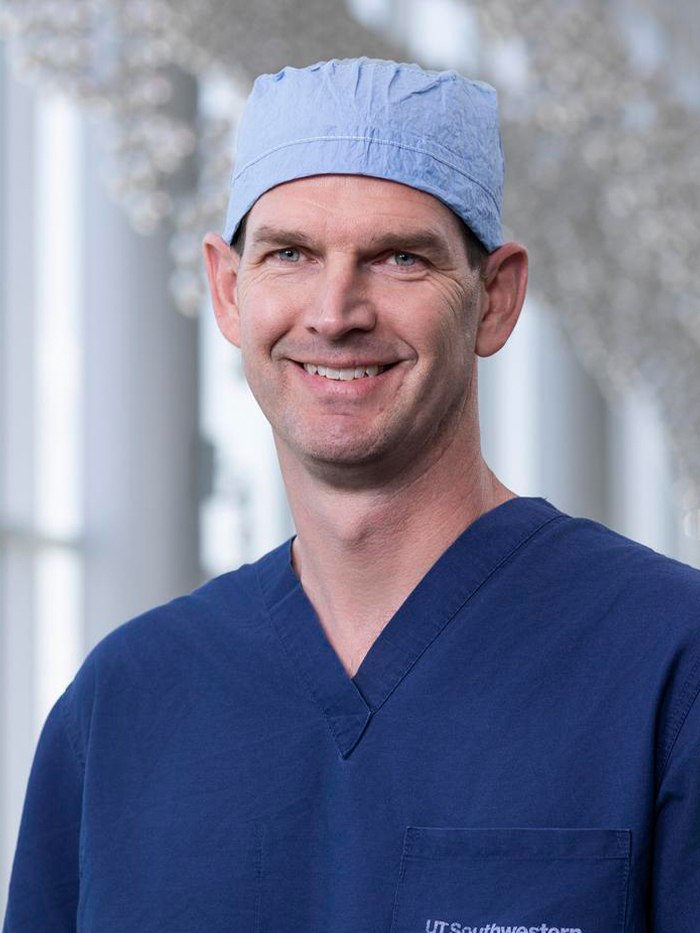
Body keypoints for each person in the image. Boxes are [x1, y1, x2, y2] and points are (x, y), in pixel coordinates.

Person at [3, 57, 699, 933]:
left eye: (399, 257)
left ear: (495, 299)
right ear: (229, 289)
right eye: (290, 254)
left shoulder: (668, 662)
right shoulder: (123, 706)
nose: (335, 313)